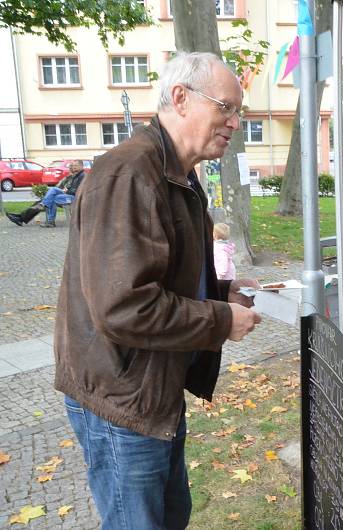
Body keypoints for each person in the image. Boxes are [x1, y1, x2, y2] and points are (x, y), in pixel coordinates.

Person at [53, 52, 262, 529]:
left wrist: (223, 290)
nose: (235, 122)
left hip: (151, 390)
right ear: (181, 98)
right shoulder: (129, 173)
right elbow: (125, 306)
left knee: (170, 517)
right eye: (225, 107)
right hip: (121, 399)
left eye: (238, 111)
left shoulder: (178, 174)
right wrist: (221, 321)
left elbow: (167, 273)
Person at [5, 160, 85, 228]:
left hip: (71, 197)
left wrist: (66, 190)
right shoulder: (72, 177)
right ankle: (22, 217)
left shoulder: (81, 176)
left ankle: (23, 217)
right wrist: (66, 186)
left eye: (75, 166)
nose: (73, 168)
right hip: (63, 194)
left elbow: (77, 190)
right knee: (47, 198)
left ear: (81, 166)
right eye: (71, 166)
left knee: (50, 197)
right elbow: (61, 186)